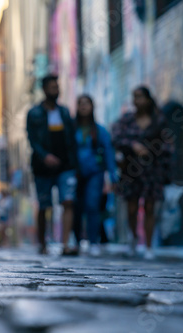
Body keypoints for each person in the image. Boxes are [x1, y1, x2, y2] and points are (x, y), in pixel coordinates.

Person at [112, 86, 173, 260]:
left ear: (147, 99)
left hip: (152, 171)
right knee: (131, 208)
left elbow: (168, 143)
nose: (136, 100)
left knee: (150, 208)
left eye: (140, 97)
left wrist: (154, 152)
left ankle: (148, 246)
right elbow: (116, 137)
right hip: (130, 170)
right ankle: (133, 238)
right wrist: (133, 145)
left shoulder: (159, 120)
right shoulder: (126, 120)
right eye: (134, 97)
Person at [26, 75, 79, 255]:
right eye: (51, 87)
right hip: (42, 167)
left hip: (65, 166)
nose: (55, 90)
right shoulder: (34, 113)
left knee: (68, 201)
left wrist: (73, 163)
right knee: (44, 205)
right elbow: (32, 140)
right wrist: (45, 156)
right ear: (44, 89)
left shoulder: (64, 112)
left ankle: (65, 244)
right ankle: (43, 243)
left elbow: (71, 140)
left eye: (57, 87)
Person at [73, 95, 118, 257]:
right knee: (75, 207)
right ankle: (76, 240)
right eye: (81, 103)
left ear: (92, 107)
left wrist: (113, 176)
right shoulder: (71, 128)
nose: (84, 107)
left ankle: (93, 241)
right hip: (74, 173)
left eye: (87, 104)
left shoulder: (99, 131)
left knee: (92, 205)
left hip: (95, 173)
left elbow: (108, 153)